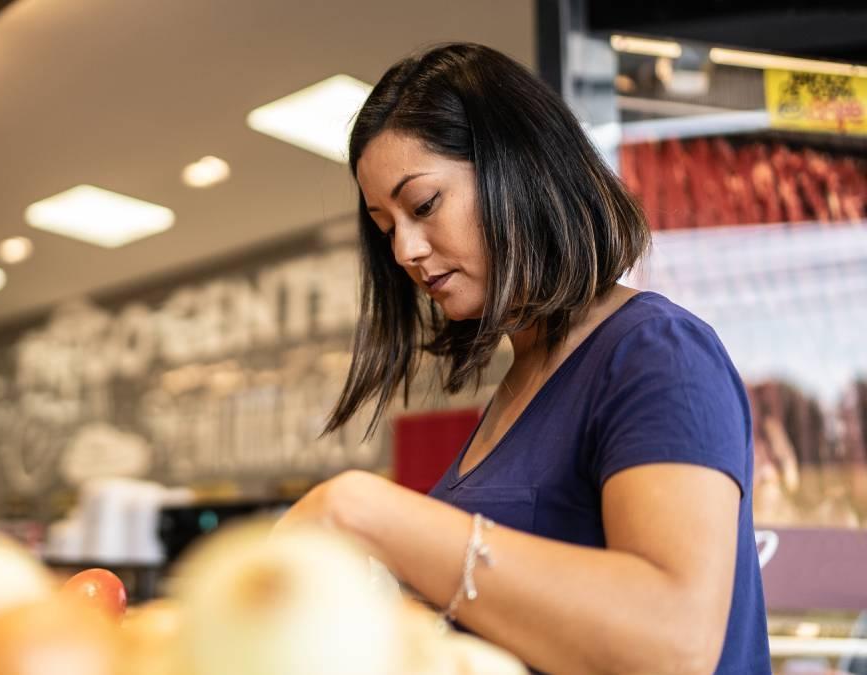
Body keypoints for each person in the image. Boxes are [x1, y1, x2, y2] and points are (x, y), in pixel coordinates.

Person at [277, 43, 770, 674]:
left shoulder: (654, 352)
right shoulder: (520, 385)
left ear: (522, 168)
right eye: (385, 225)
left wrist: (365, 511)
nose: (405, 249)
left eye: (424, 205)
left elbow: (673, 643)